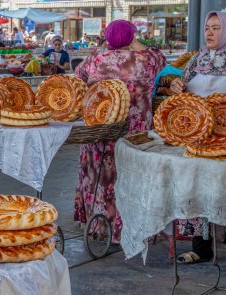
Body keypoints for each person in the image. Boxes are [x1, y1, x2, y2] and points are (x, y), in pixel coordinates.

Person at [73, 19, 166, 245]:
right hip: (134, 136)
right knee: (132, 179)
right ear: (131, 38)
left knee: (101, 180)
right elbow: (160, 58)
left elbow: (77, 79)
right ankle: (131, 229)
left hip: (101, 130)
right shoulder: (146, 60)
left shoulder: (95, 59)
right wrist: (134, 43)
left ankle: (100, 226)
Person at [169, 11, 226, 264]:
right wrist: (176, 86)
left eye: (216, 28)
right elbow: (182, 88)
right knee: (198, 189)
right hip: (198, 137)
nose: (210, 33)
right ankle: (202, 247)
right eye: (207, 28)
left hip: (224, 137)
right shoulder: (197, 59)